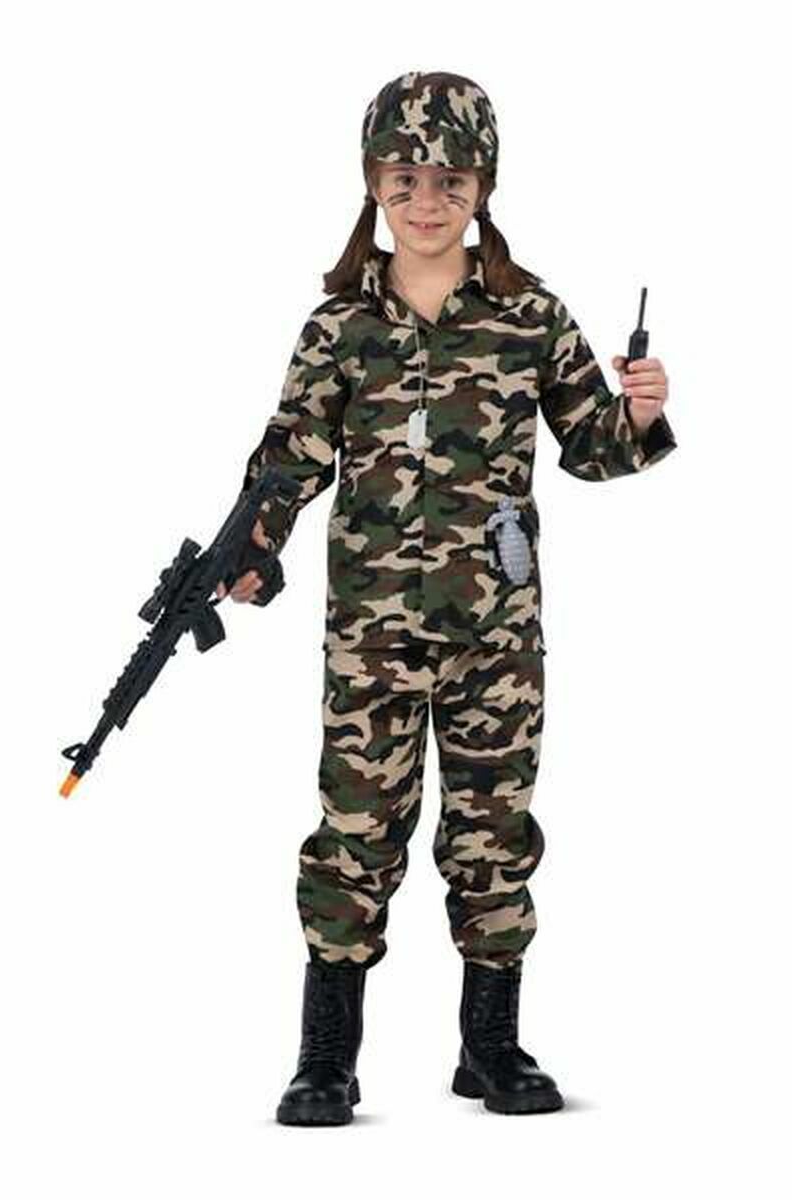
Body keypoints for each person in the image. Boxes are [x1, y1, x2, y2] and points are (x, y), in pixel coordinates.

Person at [221, 71, 676, 1124]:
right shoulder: (341, 324)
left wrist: (643, 415)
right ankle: (326, 1059)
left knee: (492, 832)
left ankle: (491, 1047)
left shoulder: (528, 315)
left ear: (484, 186)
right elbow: (288, 461)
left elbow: (595, 448)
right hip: (369, 638)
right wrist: (255, 547)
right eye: (405, 178)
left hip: (495, 638)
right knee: (353, 838)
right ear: (373, 182)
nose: (426, 201)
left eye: (450, 180)